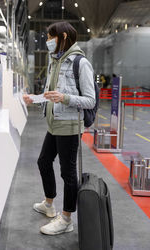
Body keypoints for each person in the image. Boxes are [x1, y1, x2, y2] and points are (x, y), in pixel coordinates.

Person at [23, 21, 95, 235]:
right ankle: (49, 203)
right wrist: (34, 99)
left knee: (68, 173)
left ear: (63, 37)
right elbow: (50, 95)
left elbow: (90, 100)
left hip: (70, 126)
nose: (47, 41)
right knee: (44, 161)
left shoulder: (80, 63)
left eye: (50, 37)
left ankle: (66, 219)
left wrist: (65, 98)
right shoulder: (55, 61)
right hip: (54, 124)